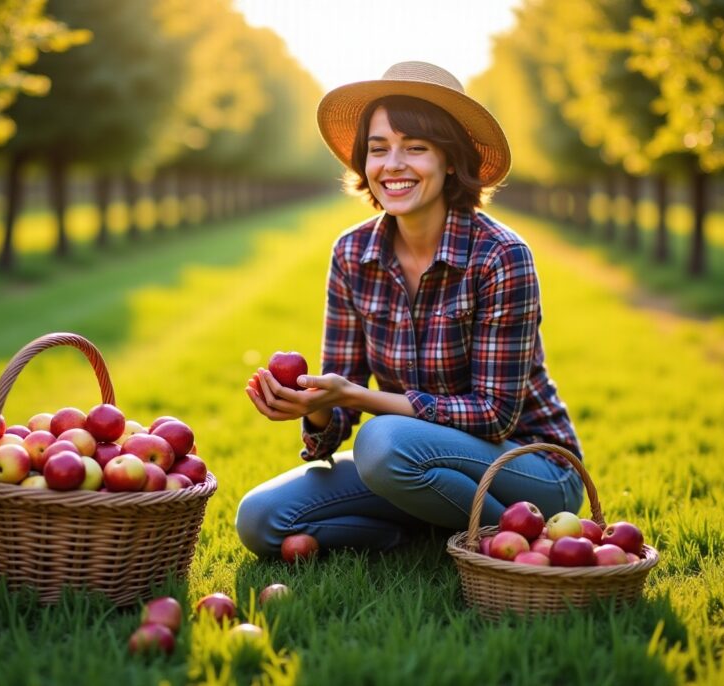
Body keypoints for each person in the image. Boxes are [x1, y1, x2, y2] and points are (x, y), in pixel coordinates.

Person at [235, 61, 583, 558]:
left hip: (530, 467)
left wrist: (363, 399)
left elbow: (495, 415)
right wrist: (314, 411)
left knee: (382, 441)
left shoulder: (500, 255)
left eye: (415, 147)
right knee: (261, 519)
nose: (392, 164)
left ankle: (507, 538)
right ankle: (423, 533)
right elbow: (338, 404)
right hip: (412, 463)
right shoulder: (352, 253)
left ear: (450, 160)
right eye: (379, 149)